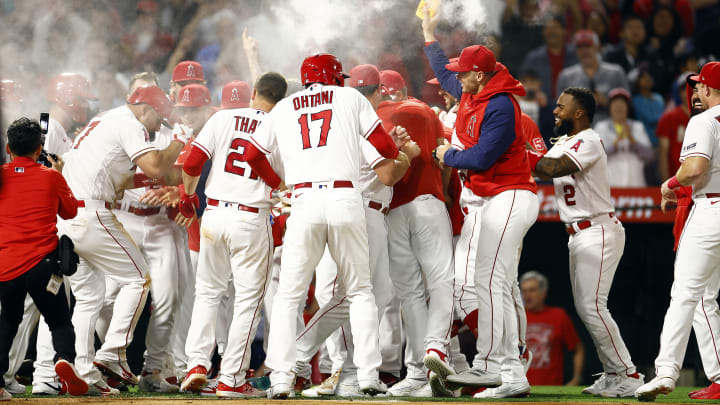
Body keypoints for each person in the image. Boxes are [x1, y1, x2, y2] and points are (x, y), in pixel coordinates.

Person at [249, 53, 400, 398]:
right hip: (345, 197)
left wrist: (279, 183)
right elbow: (385, 147)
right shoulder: (350, 98)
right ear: (334, 77)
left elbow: (253, 155)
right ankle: (366, 376)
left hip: (303, 201)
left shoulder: (284, 107)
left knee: (288, 296)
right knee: (360, 290)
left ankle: (283, 378)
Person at [293, 64, 420, 397]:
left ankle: (350, 371)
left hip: (350, 211)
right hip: (360, 213)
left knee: (358, 297)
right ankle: (304, 358)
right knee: (349, 296)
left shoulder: (345, 120)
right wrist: (405, 154)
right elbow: (390, 174)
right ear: (378, 92)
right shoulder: (362, 121)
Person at [59, 85, 186, 395]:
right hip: (92, 214)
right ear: (146, 109)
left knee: (89, 299)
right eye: (158, 120)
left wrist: (174, 174)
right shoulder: (130, 123)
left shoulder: (104, 121)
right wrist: (180, 141)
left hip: (69, 215)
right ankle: (113, 353)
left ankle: (85, 372)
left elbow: (130, 178)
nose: (159, 128)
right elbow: (156, 165)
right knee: (138, 280)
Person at [429, 41, 539, 395]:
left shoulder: (502, 104)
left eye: (464, 72)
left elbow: (482, 158)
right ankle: (513, 374)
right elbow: (444, 75)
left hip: (509, 196)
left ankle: (487, 365)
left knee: (488, 281)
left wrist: (448, 153)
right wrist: (429, 35)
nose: (457, 78)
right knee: (497, 286)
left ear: (479, 74)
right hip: (491, 200)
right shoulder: (475, 92)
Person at [527, 87, 644, 397]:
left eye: (561, 107)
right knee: (587, 307)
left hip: (598, 228)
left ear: (578, 113)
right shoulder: (565, 141)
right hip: (579, 233)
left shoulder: (589, 139)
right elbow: (537, 166)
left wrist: (515, 150)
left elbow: (552, 168)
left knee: (592, 307)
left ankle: (629, 373)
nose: (554, 110)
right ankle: (612, 372)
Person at [178, 72, 288, 398]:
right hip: (251, 218)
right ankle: (232, 377)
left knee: (208, 293)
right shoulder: (280, 125)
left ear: (254, 92)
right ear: (280, 100)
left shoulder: (222, 117)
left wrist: (187, 197)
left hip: (214, 214)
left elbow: (194, 160)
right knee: (247, 301)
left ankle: (197, 364)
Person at [636, 61, 720, 401]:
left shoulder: (703, 120)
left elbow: (696, 167)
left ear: (711, 88)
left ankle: (666, 372)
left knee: (685, 293)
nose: (696, 90)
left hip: (711, 210)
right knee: (702, 297)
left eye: (700, 84)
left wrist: (670, 183)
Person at [372, 69, 456, 398]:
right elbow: (444, 155)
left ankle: (418, 370)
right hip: (428, 202)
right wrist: (445, 192)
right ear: (404, 88)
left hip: (392, 209)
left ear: (381, 92)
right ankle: (436, 349)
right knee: (441, 280)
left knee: (408, 293)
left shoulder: (373, 113)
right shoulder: (426, 110)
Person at [0, 117, 88, 400]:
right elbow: (71, 212)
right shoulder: (51, 176)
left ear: (8, 147)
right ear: (40, 149)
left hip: (7, 264)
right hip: (44, 265)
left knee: (7, 322)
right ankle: (64, 360)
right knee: (60, 321)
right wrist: (58, 172)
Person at [520, 271, 584, 386]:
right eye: (524, 291)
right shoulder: (515, 317)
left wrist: (576, 378)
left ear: (543, 293)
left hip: (552, 390)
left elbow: (578, 350)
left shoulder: (559, 316)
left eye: (532, 290)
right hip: (518, 389)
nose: (527, 295)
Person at [556, 30, 629, 123]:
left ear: (597, 47)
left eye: (588, 46)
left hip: (610, 130)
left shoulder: (616, 73)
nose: (584, 51)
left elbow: (627, 106)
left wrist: (607, 102)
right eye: (580, 47)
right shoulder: (566, 76)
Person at [593, 88, 654, 187]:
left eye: (622, 103)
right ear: (610, 107)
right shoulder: (601, 127)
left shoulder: (638, 127)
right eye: (615, 103)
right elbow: (594, 157)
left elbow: (650, 156)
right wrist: (615, 145)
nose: (619, 106)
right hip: (610, 184)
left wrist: (633, 141)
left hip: (635, 184)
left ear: (628, 107)